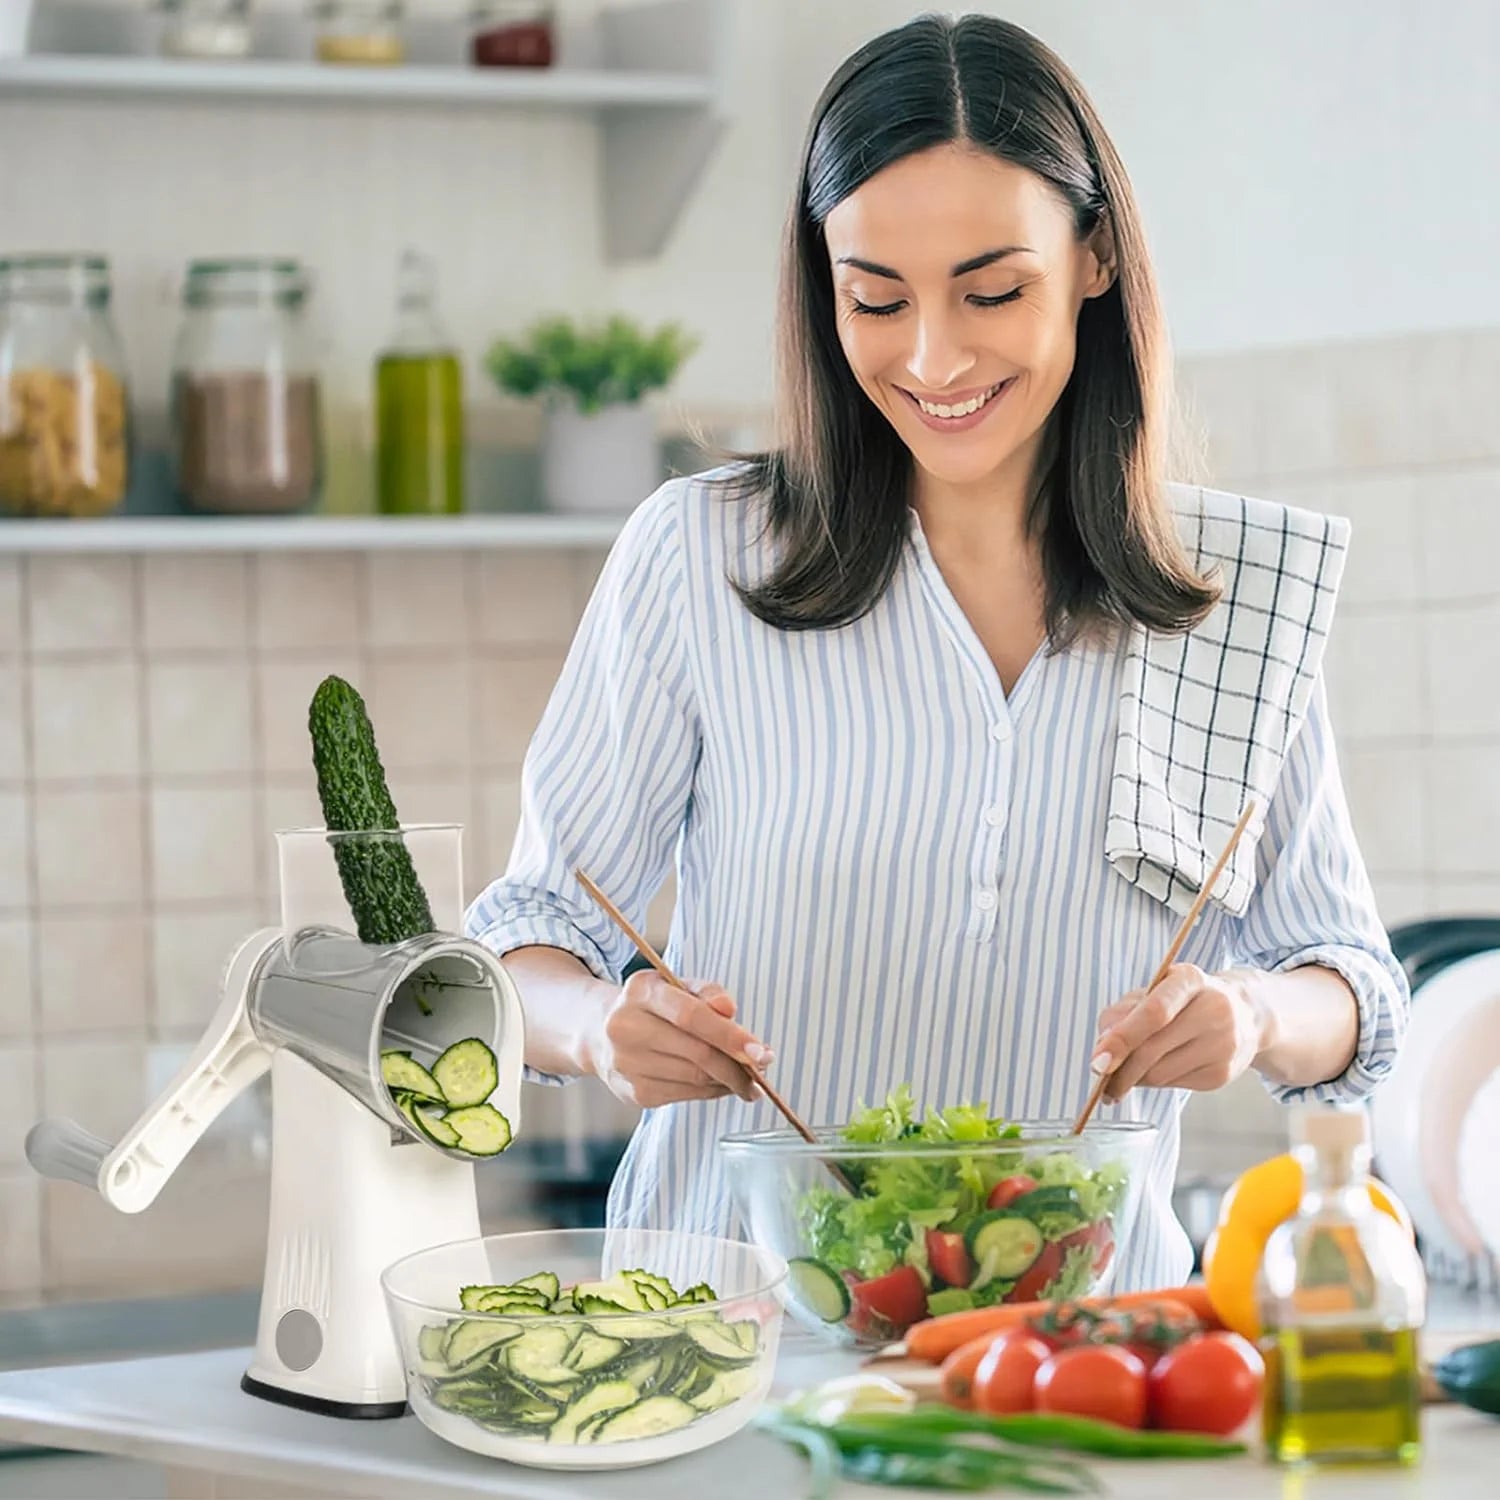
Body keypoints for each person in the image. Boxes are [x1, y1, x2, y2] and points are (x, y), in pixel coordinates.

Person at [466, 13, 1408, 1291]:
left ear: (1094, 261)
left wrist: (1252, 1017)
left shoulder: (1226, 600)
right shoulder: (699, 559)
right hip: (734, 1342)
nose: (932, 357)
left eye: (991, 289)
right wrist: (596, 1027)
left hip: (1079, 1358)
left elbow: (1352, 989)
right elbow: (528, 938)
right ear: (824, 286)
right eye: (876, 298)